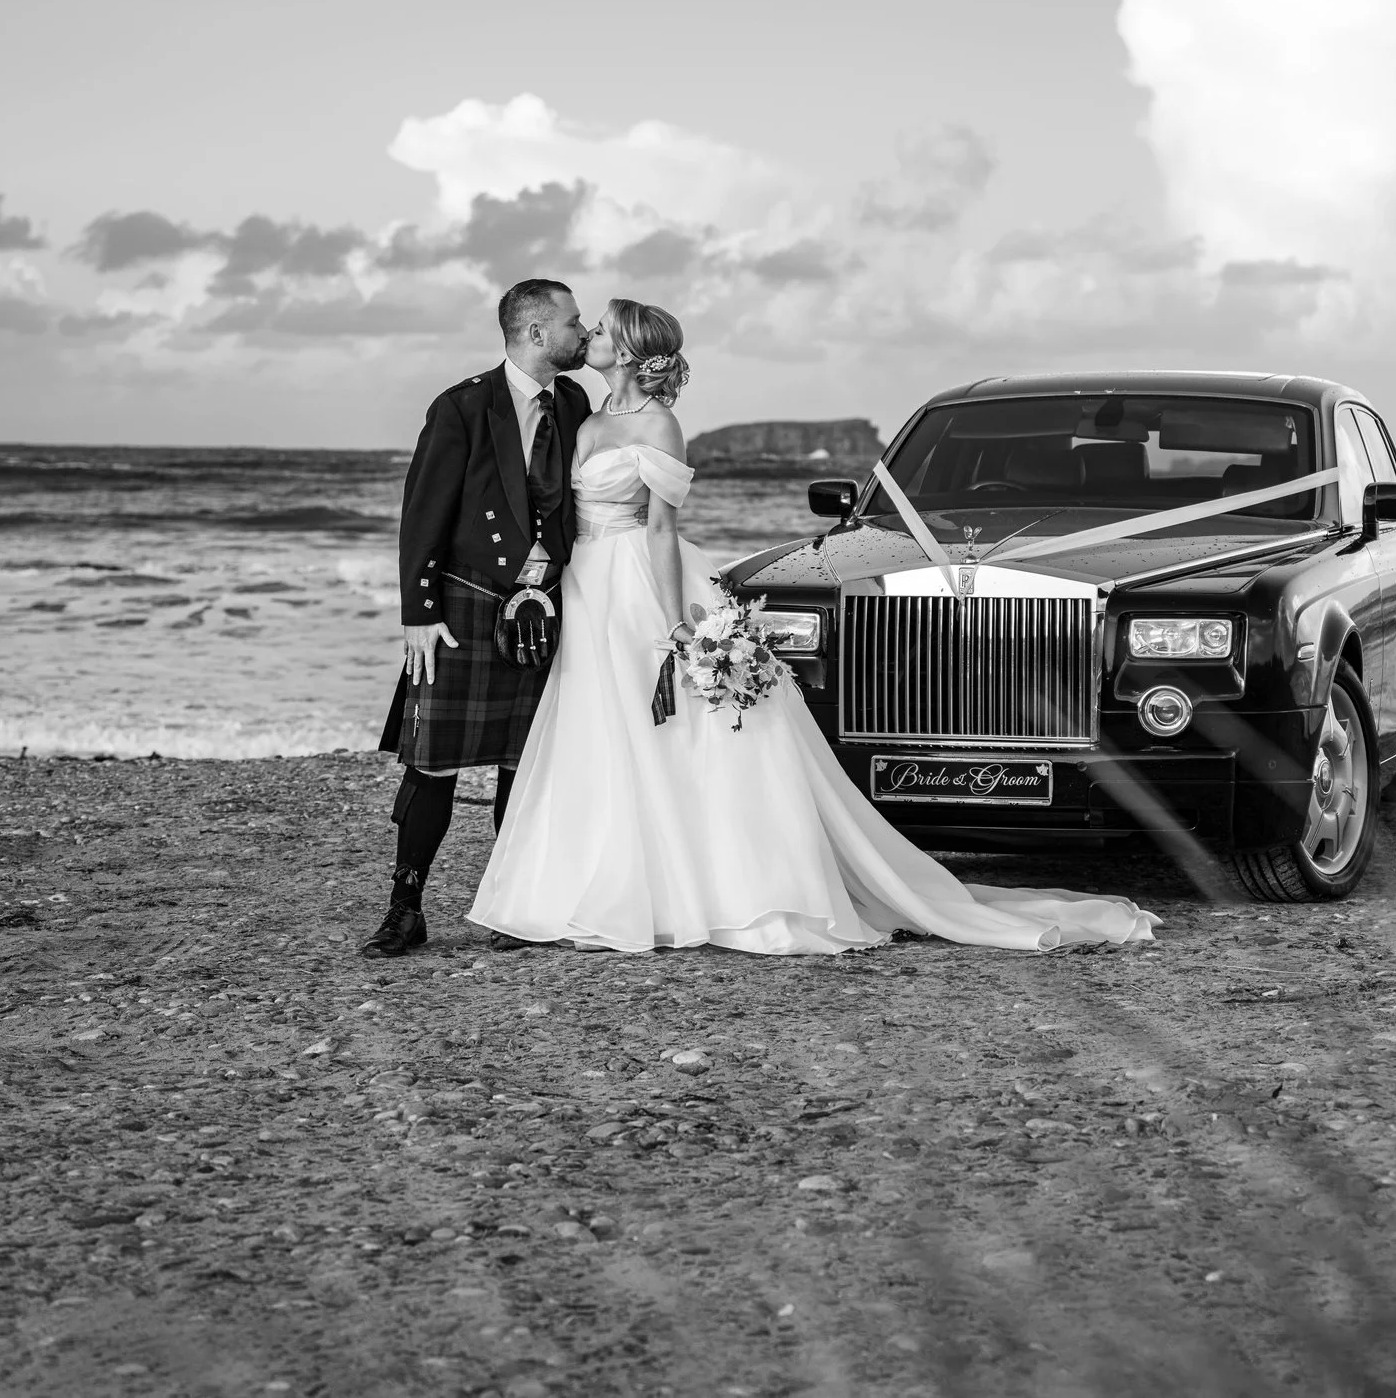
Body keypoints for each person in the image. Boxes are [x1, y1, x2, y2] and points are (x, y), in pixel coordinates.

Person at [467, 299, 1159, 954]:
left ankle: (703, 893)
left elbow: (659, 530)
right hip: (585, 584)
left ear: (626, 349)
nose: (586, 334)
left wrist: (676, 622)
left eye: (599, 329)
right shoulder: (583, 416)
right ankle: (590, 885)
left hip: (638, 584)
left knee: (668, 735)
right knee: (596, 732)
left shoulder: (657, 425)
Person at [365, 278, 594, 958]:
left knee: (523, 765)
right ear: (534, 333)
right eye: (573, 323)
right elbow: (422, 513)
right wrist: (418, 612)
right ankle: (406, 907)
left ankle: (511, 905)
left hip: (544, 605)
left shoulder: (577, 402)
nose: (582, 334)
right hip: (467, 603)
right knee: (432, 763)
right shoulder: (463, 406)